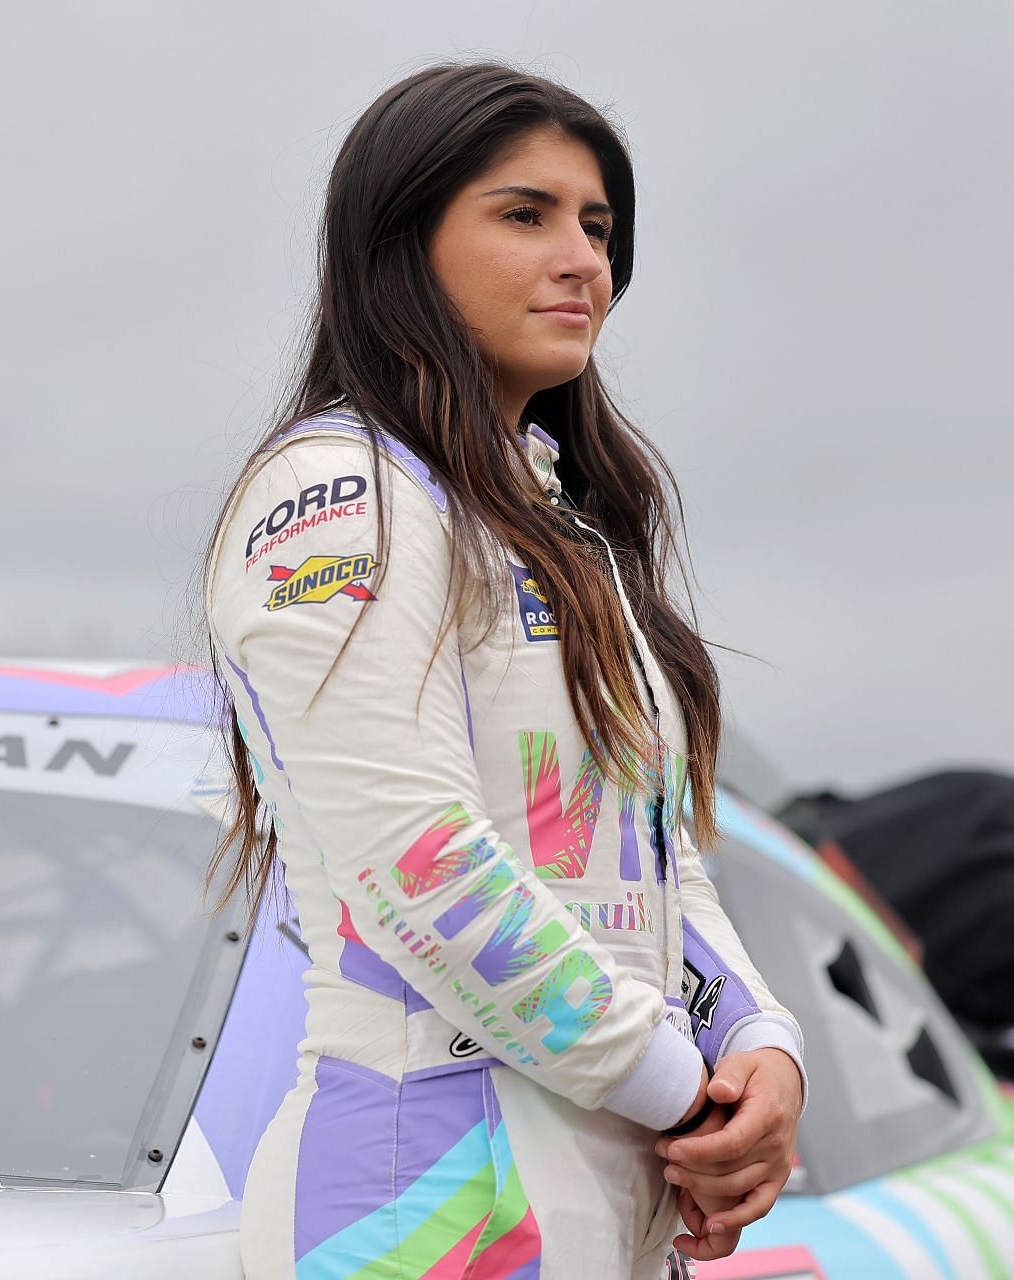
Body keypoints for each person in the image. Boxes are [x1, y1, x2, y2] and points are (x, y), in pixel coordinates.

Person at [202, 62, 806, 1280]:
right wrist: (680, 1089)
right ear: (399, 247)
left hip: (613, 1182)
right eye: (525, 214)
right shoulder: (336, 493)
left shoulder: (560, 522)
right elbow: (419, 863)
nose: (586, 259)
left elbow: (644, 862)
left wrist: (759, 1043)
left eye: (598, 225)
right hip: (418, 1198)